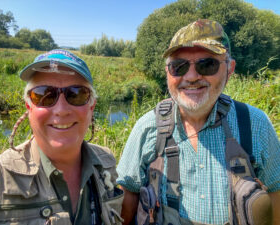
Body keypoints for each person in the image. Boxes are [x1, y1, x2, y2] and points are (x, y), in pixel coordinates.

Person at [117, 19, 280, 225]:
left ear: (229, 69)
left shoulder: (255, 124)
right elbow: (127, 195)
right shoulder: (147, 127)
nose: (192, 76)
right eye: (179, 66)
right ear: (168, 72)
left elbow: (275, 192)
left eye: (207, 64)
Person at [0, 49, 124, 225]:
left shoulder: (106, 164)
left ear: (91, 106)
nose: (61, 110)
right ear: (29, 107)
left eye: (76, 94)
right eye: (44, 95)